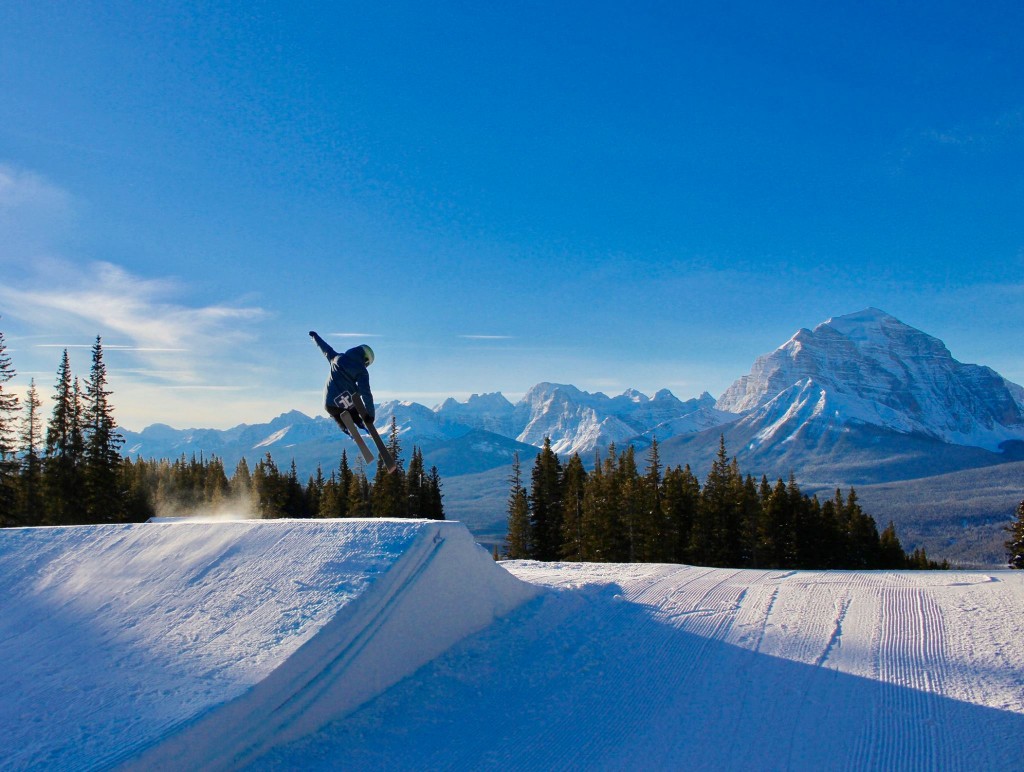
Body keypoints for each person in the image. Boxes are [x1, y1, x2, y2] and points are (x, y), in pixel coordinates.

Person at [309, 331, 376, 435]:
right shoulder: (362, 371)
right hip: (347, 403)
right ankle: (360, 423)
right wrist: (370, 415)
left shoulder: (336, 358)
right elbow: (366, 392)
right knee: (355, 403)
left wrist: (315, 337)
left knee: (337, 414)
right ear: (365, 359)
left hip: (329, 403)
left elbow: (325, 348)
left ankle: (345, 428)